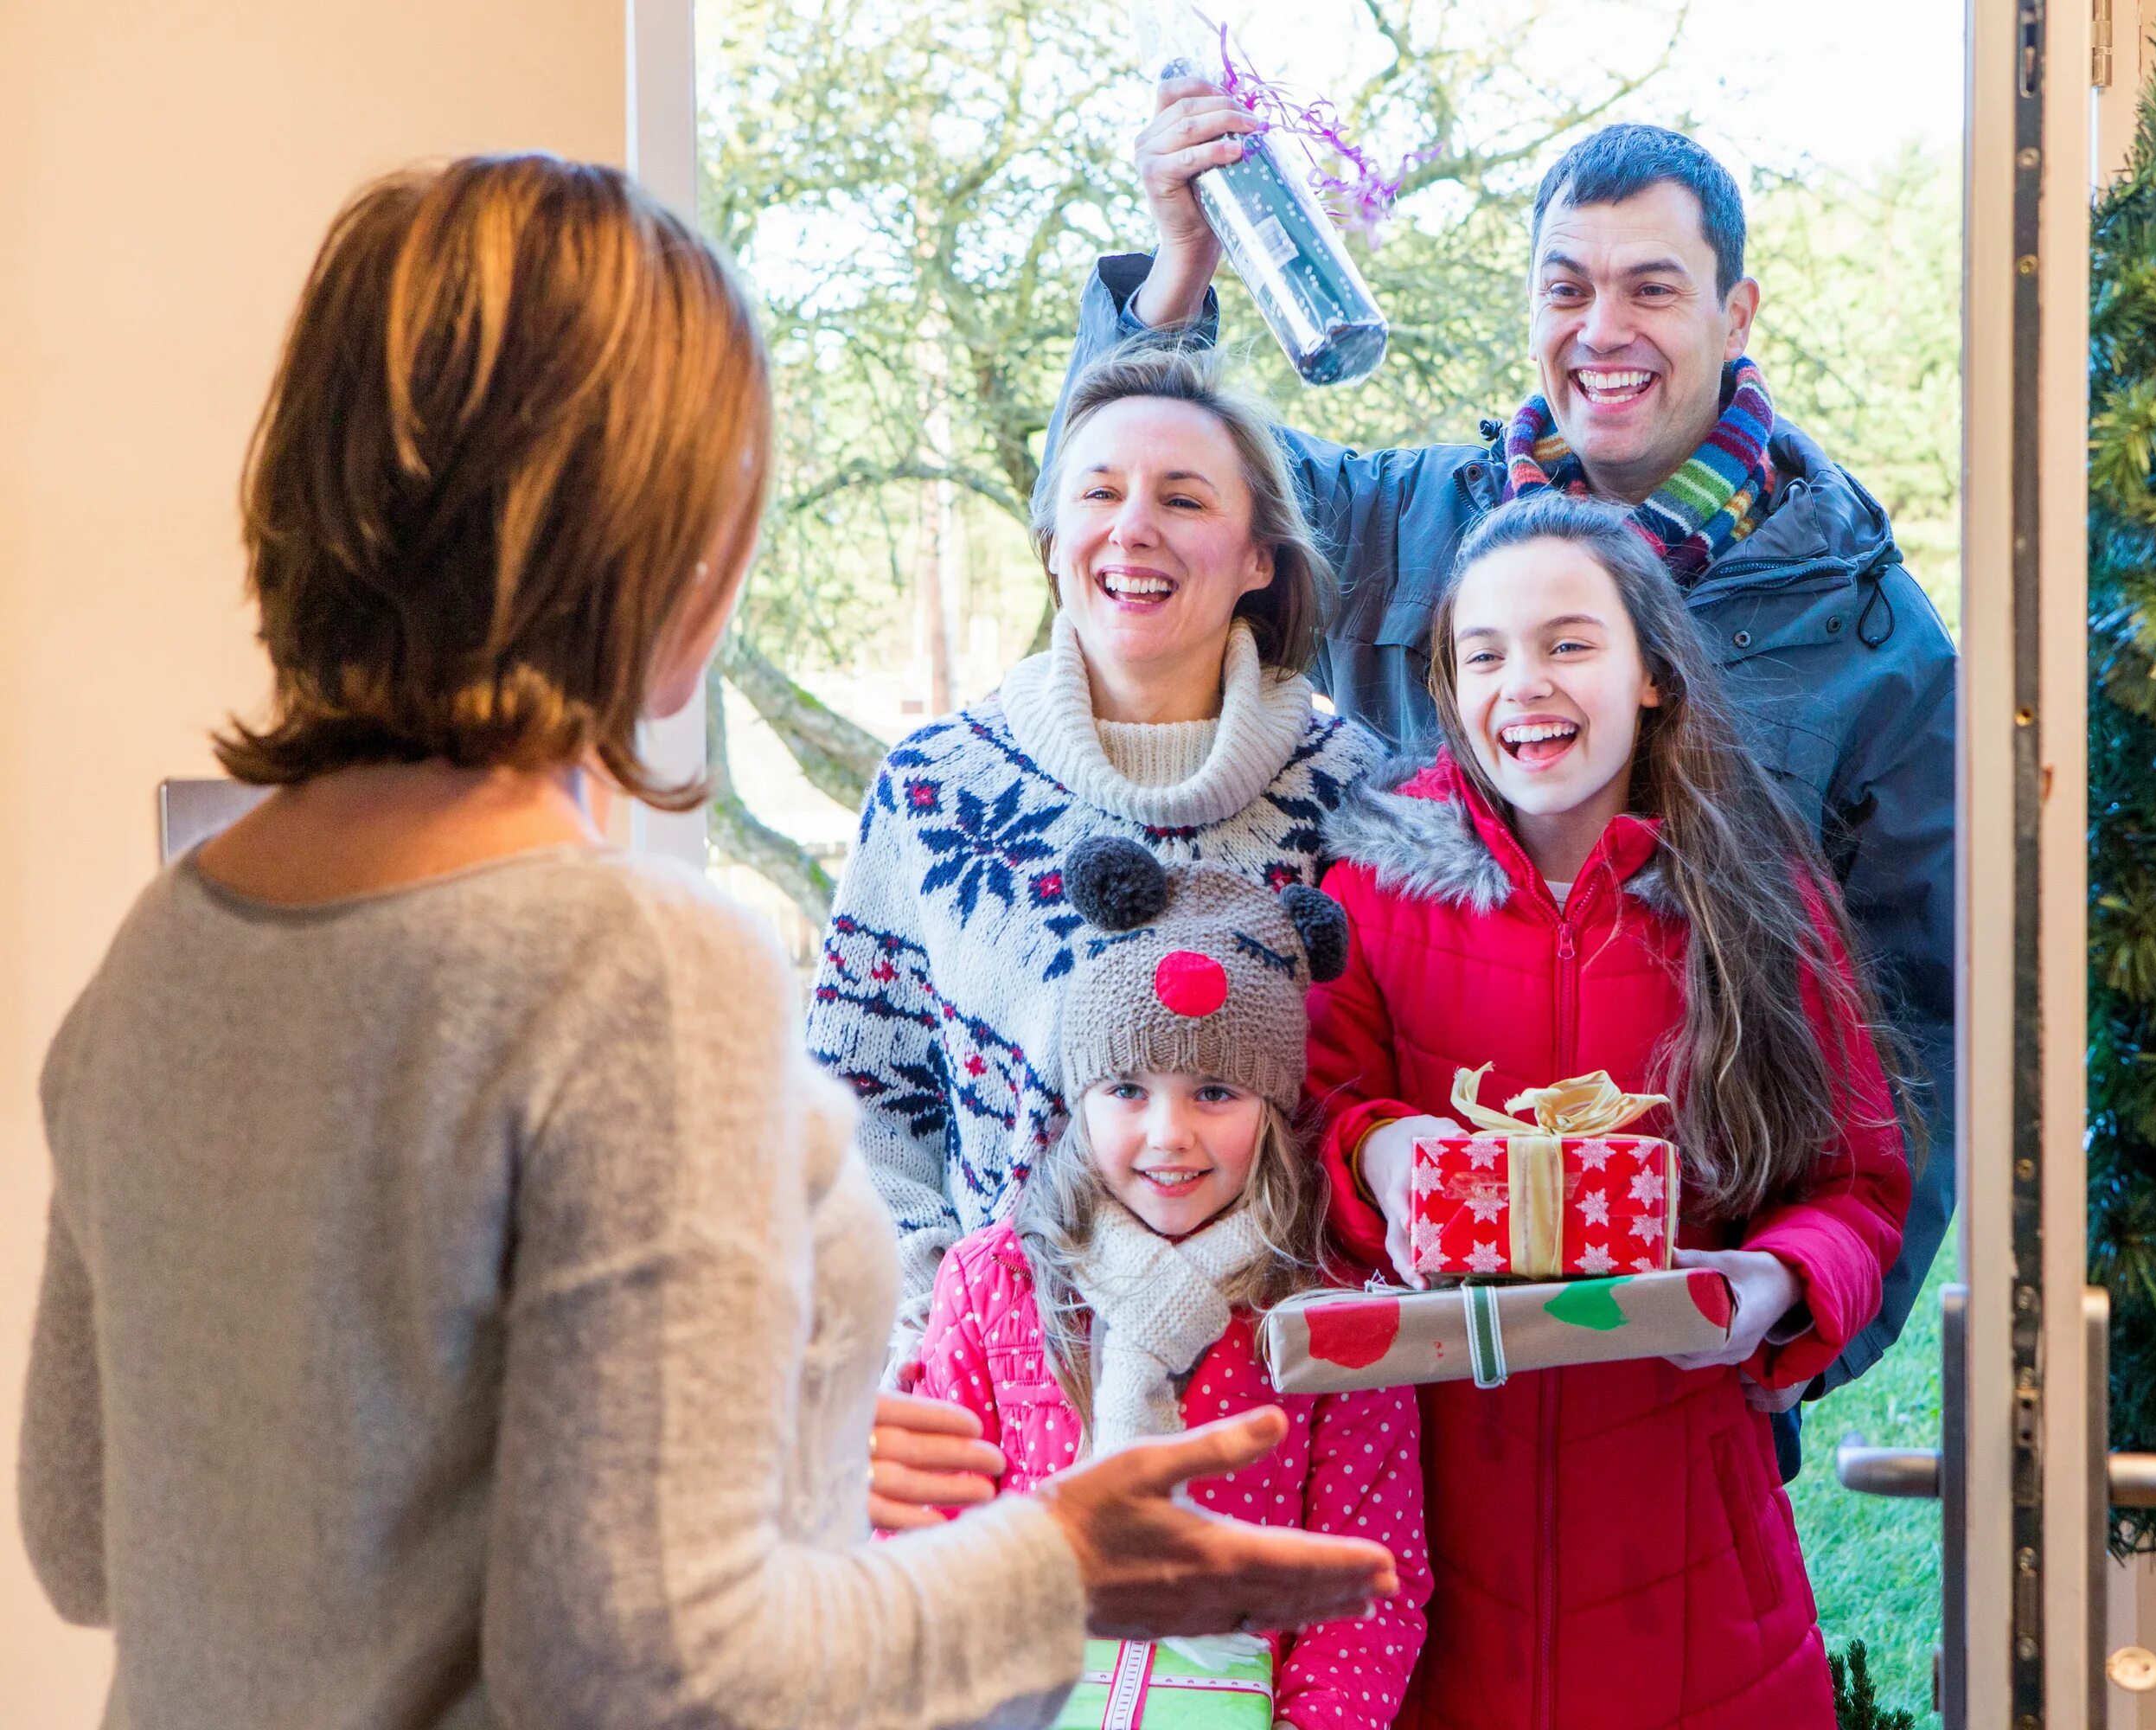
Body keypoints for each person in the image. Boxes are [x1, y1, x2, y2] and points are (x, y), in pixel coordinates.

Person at [16, 153, 1395, 1730]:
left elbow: (88, 1537)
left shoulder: (165, 950)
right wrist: (1051, 1570)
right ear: (656, 529)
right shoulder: (630, 972)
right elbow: (635, 1667)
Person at [1043, 108, 1955, 1447]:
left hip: (1681, 1373)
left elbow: (1916, 1030)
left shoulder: (1863, 634)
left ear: (1736, 309)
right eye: (1567, 286)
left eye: (1653, 286)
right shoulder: (1393, 520)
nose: (1604, 329)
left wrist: (1801, 1336)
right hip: (1396, 1365)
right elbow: (1147, 504)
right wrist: (1175, 278)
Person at [1303, 495, 1911, 1727]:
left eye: (1569, 643)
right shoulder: (1372, 884)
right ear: (1451, 685)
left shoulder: (1755, 889)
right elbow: (1310, 1123)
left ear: (1651, 675)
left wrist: (1773, 1288)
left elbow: (1860, 1187)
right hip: (1429, 1560)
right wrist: (1383, 1153)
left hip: (1693, 1565)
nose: (1523, 683)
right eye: (1486, 655)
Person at [806, 342, 1384, 1400]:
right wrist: (940, 1326)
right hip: (990, 1392)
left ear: (1261, 555)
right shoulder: (936, 790)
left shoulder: (1357, 796)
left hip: (1287, 1401)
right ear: (1054, 538)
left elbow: (1374, 1094)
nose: (1133, 527)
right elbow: (857, 1103)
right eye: (1100, 492)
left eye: (1183, 497)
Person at [913, 838, 1430, 1729]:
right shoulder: (995, 1282)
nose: (1168, 1134)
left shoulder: (1336, 1315)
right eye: (1127, 1086)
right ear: (1081, 1099)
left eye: (1215, 1092)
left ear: (1272, 1108)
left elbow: (1371, 1588)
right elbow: (924, 1530)